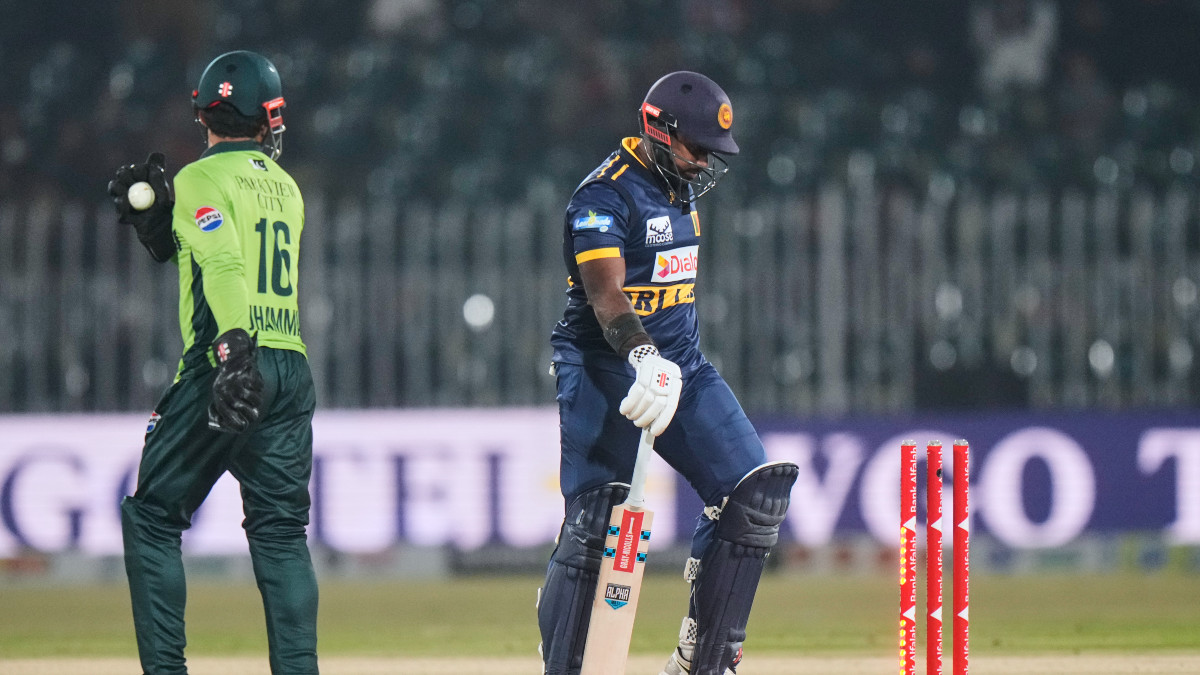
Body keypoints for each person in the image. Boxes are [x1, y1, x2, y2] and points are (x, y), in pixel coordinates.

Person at [538, 71, 800, 675]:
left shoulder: (679, 189)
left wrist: (665, 361)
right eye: (697, 148)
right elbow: (606, 296)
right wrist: (641, 355)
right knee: (596, 526)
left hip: (683, 367)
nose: (704, 163)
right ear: (658, 130)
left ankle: (702, 660)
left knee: (753, 494)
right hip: (604, 368)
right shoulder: (603, 196)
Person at [107, 50, 318, 675]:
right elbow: (212, 248)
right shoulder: (286, 187)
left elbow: (222, 263)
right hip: (289, 363)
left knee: (152, 519)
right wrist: (158, 227)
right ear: (266, 117)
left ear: (202, 114)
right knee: (281, 534)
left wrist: (231, 350)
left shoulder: (199, 179)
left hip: (226, 358)